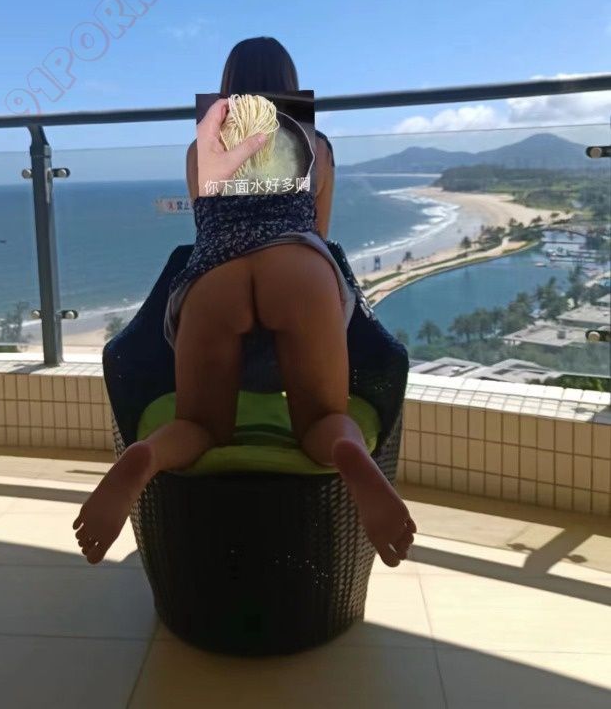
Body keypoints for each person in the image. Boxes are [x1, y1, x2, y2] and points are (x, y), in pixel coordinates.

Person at [73, 37, 417, 567]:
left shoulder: (201, 149)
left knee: (201, 427)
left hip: (218, 276)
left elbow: (207, 229)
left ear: (228, 87)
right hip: (297, 269)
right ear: (290, 83)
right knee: (320, 420)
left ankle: (144, 457)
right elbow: (320, 235)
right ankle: (349, 453)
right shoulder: (318, 146)